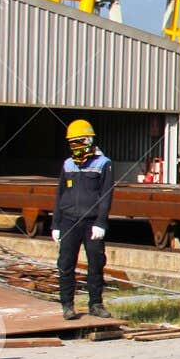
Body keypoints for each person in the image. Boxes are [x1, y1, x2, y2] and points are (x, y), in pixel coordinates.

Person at [53, 119, 115, 320]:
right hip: (69, 221)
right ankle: (67, 306)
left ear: (89, 140)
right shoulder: (68, 164)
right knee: (65, 264)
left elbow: (106, 196)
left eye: (79, 141)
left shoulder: (103, 164)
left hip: (92, 223)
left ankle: (95, 304)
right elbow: (60, 194)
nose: (76, 146)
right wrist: (56, 224)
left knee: (96, 263)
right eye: (72, 142)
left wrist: (101, 222)